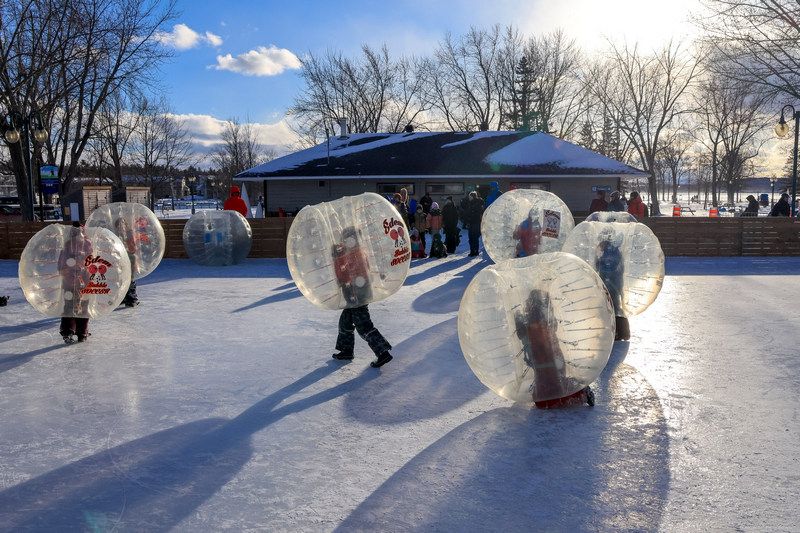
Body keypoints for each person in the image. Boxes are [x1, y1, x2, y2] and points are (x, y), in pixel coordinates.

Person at [513, 289, 594, 408]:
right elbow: (526, 336)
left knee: (549, 396)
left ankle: (582, 391)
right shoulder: (536, 322)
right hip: (545, 364)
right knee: (544, 398)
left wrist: (520, 321)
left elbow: (533, 338)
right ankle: (576, 388)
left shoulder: (541, 324)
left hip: (552, 363)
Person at [331, 226, 393, 368]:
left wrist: (338, 257)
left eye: (348, 239)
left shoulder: (356, 254)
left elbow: (348, 273)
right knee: (345, 322)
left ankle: (382, 352)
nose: (345, 242)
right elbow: (343, 274)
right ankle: (346, 350)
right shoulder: (350, 252)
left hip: (358, 296)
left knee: (364, 326)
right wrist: (338, 256)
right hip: (353, 296)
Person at [59, 222, 92, 344]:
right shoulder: (85, 244)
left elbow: (61, 265)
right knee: (80, 306)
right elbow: (90, 262)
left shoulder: (68, 246)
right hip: (78, 281)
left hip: (74, 281)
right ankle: (80, 332)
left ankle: (71, 331)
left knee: (71, 306)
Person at [595, 233, 629, 341]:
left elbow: (608, 267)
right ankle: (619, 332)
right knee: (612, 308)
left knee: (613, 308)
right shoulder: (612, 252)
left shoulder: (612, 253)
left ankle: (619, 332)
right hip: (609, 285)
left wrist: (599, 261)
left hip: (612, 285)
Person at [114, 217, 139, 307]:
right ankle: (123, 298)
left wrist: (127, 243)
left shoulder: (129, 234)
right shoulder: (116, 235)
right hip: (120, 259)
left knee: (130, 279)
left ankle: (132, 298)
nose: (121, 226)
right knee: (121, 278)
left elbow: (133, 247)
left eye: (122, 224)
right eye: (119, 225)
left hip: (130, 257)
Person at [464, 191, 485, 256]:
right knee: (471, 238)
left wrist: (471, 217)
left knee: (474, 238)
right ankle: (473, 251)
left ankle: (475, 251)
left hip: (476, 223)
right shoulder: (471, 203)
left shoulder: (478, 203)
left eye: (470, 196)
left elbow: (478, 213)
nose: (469, 198)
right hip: (471, 223)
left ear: (473, 196)